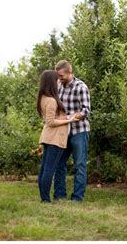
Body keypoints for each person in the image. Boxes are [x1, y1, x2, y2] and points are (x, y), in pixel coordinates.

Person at [36, 70, 79, 203]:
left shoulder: (44, 98)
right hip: (54, 138)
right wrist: (69, 121)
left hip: (48, 137)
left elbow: (53, 117)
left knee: (44, 168)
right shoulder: (51, 100)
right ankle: (45, 199)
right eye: (57, 81)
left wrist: (68, 117)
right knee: (48, 169)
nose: (59, 82)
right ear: (52, 83)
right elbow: (50, 121)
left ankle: (44, 197)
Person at [53, 60, 91, 202]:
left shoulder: (81, 87)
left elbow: (86, 111)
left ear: (70, 72)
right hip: (63, 131)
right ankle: (59, 195)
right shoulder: (59, 86)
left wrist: (69, 118)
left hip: (79, 131)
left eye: (61, 75)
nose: (59, 78)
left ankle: (77, 197)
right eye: (58, 76)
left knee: (80, 164)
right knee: (59, 163)